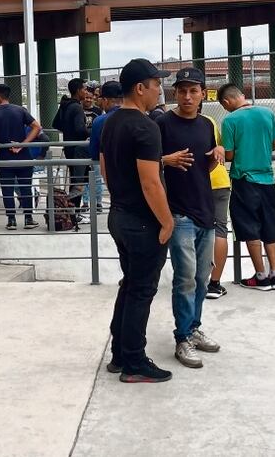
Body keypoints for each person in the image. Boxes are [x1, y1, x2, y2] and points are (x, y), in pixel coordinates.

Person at [100, 59, 174, 383]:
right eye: (157, 84)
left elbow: (104, 167)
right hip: (143, 223)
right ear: (141, 88)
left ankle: (120, 354)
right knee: (141, 290)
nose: (160, 90)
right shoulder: (146, 127)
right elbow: (151, 182)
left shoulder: (109, 123)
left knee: (130, 285)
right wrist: (167, 221)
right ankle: (133, 362)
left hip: (118, 215)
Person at [156, 67, 223, 368]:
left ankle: (194, 328)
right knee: (184, 279)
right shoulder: (161, 124)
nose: (187, 96)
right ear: (174, 93)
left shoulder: (207, 125)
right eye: (182, 91)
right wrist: (165, 160)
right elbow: (144, 164)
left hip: (204, 211)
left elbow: (202, 168)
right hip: (178, 213)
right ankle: (182, 337)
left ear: (202, 94)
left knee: (201, 277)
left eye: (193, 91)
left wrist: (216, 154)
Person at [218, 83, 275, 291]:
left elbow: (228, 155)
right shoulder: (267, 112)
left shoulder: (229, 120)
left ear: (226, 102)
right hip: (268, 180)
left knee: (250, 227)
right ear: (243, 95)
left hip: (244, 180)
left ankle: (261, 276)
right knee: (270, 225)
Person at [0, 83, 42, 230]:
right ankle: (28, 218)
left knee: (7, 189)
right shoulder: (20, 110)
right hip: (23, 156)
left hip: (5, 157)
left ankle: (12, 220)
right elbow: (37, 127)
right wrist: (23, 144)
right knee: (26, 187)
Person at [54, 78, 94, 218]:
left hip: (68, 147)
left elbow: (55, 124)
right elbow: (79, 129)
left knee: (75, 180)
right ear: (78, 91)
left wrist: (67, 130)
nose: (86, 91)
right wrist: (91, 131)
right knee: (79, 181)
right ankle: (74, 213)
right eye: (84, 89)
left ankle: (71, 211)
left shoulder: (65, 104)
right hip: (78, 149)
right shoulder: (76, 107)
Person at [205, 108, 232, 300]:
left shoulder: (173, 123)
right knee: (220, 230)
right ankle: (214, 284)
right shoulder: (210, 121)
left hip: (197, 183)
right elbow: (220, 147)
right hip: (220, 180)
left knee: (194, 229)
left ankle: (194, 280)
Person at [86, 80, 124, 214]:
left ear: (106, 100)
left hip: (112, 172)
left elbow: (94, 152)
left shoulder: (100, 121)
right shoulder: (140, 116)